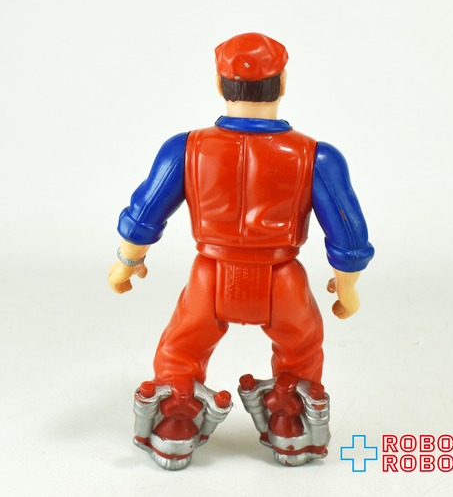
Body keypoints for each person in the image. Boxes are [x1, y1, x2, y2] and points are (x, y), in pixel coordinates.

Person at [108, 32, 374, 470]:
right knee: (301, 350)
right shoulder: (316, 157)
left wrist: (126, 263)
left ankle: (176, 414)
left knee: (181, 350)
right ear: (283, 84)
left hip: (210, 275)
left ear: (219, 83)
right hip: (282, 278)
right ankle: (290, 414)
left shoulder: (185, 149)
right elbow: (348, 237)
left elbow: (144, 213)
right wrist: (347, 290)